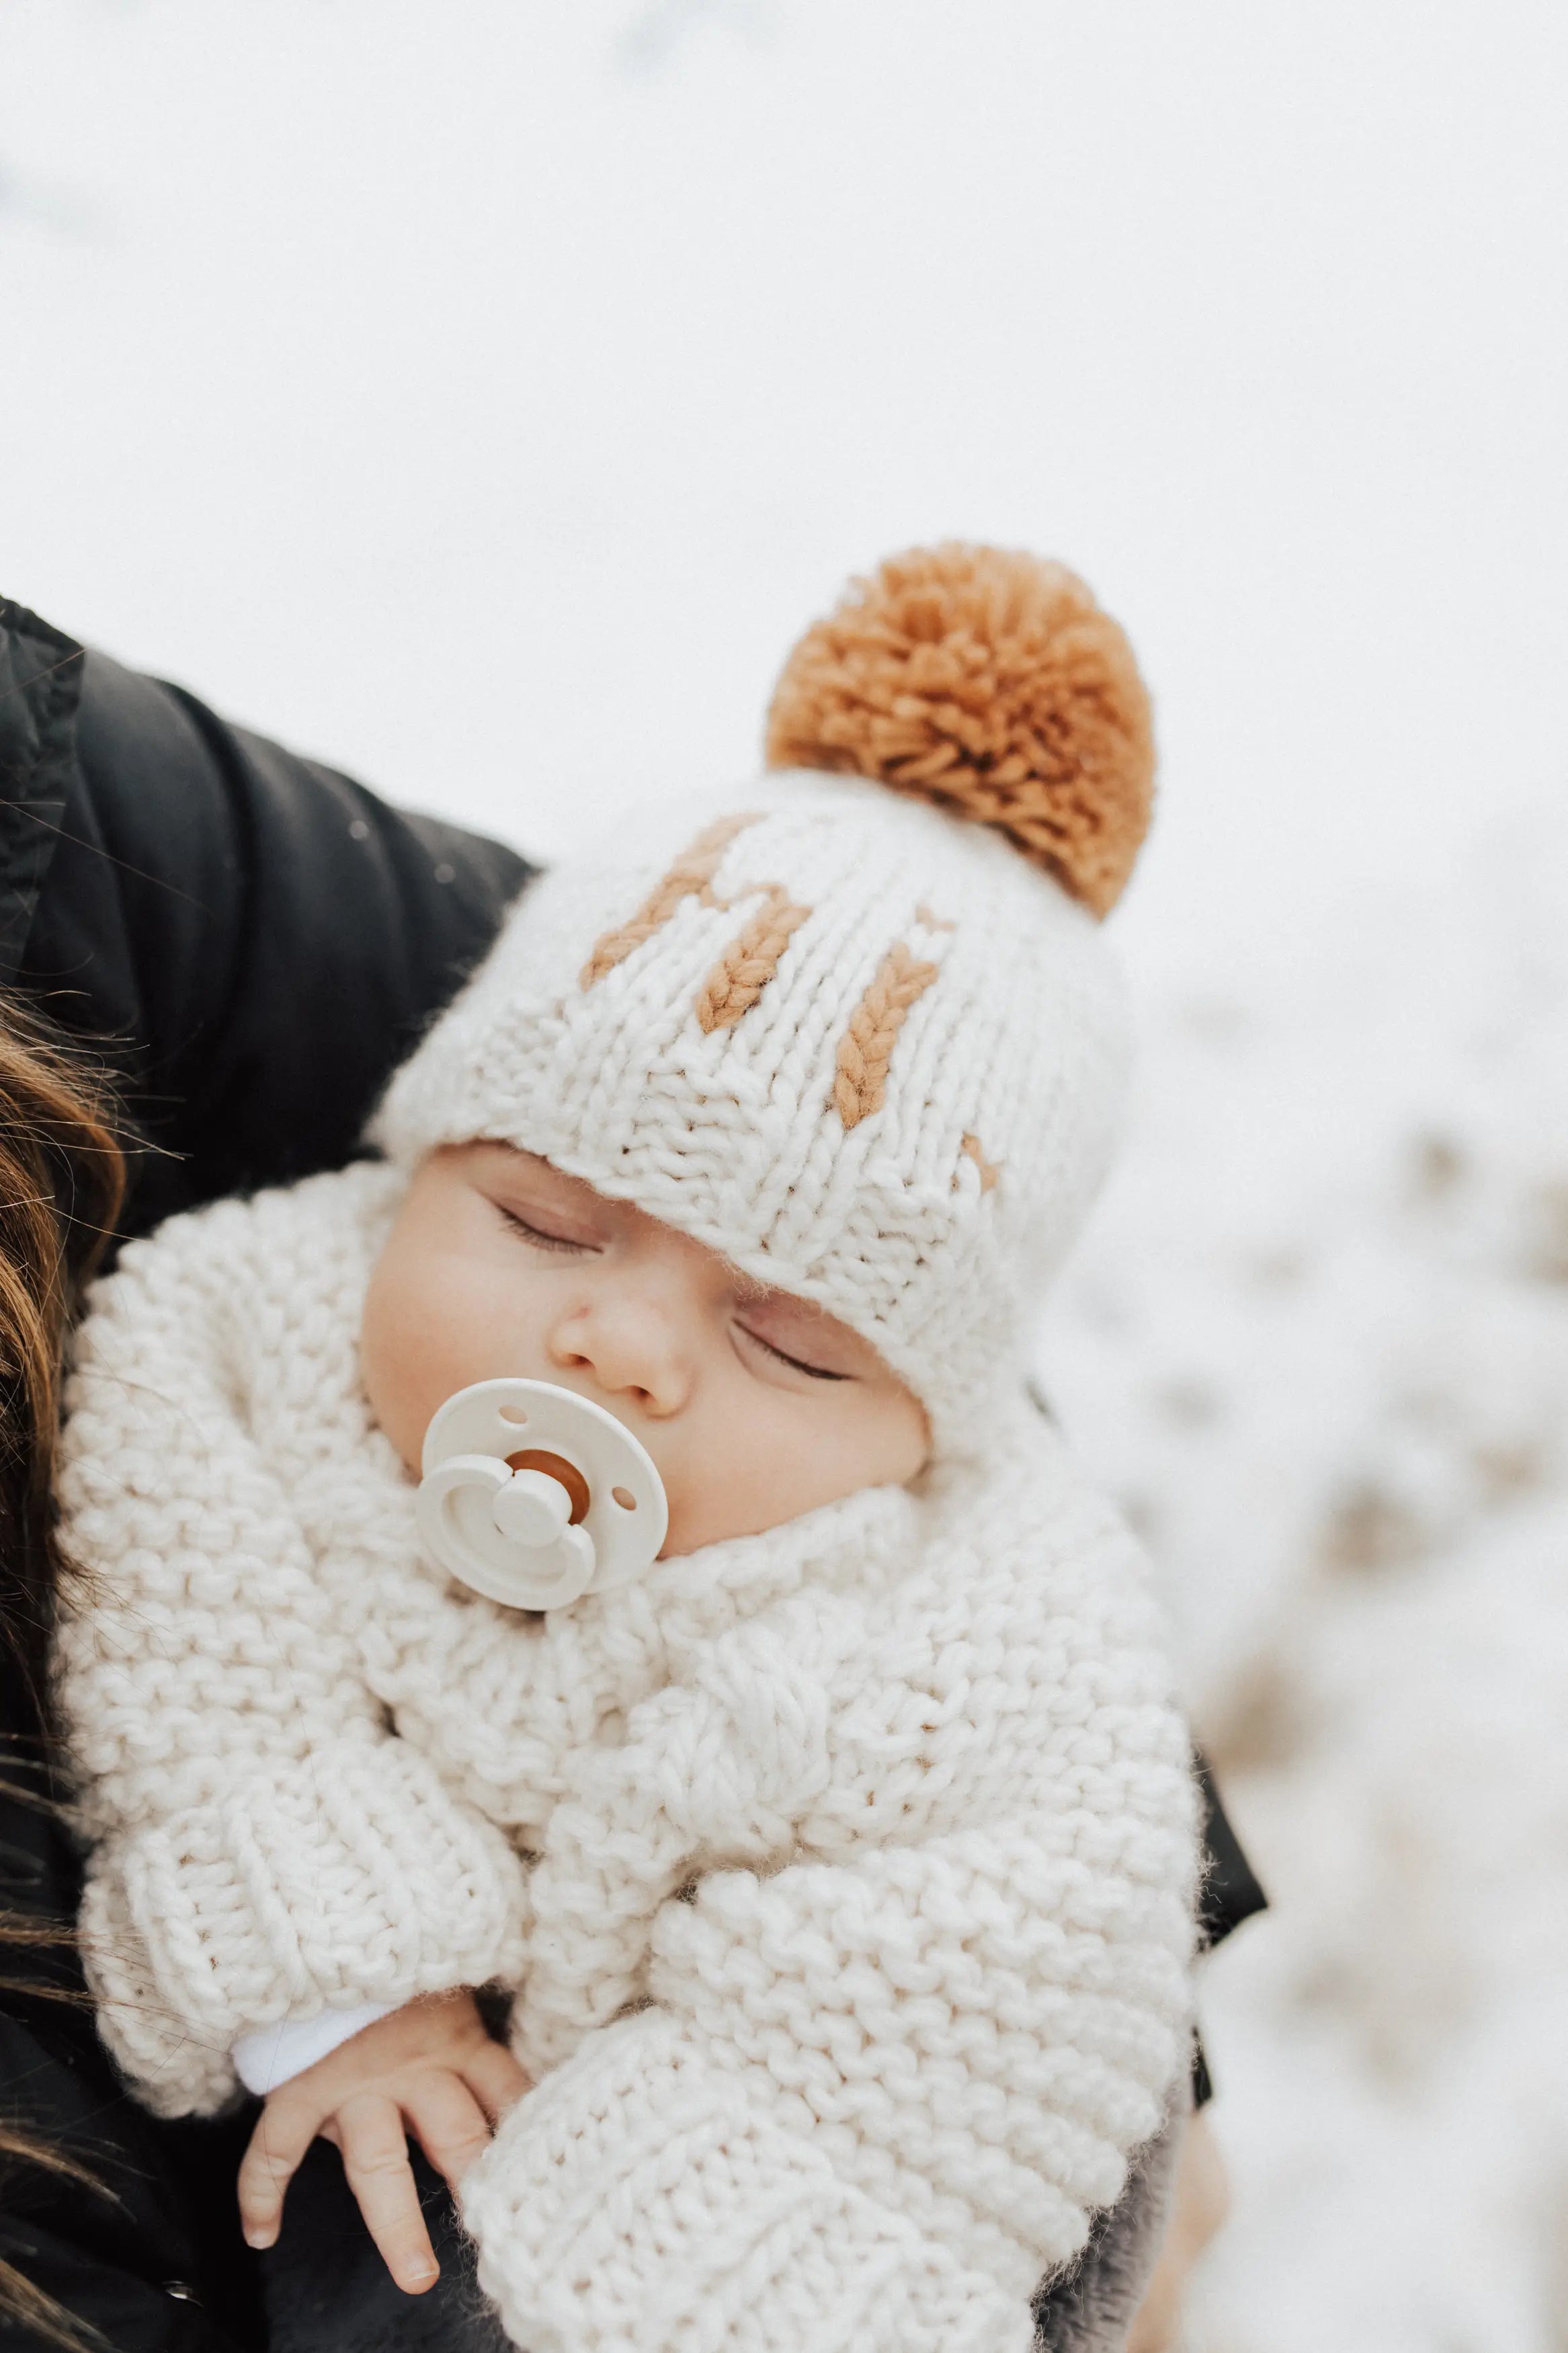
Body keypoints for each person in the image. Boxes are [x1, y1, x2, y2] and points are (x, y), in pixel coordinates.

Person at [50, 545, 1212, 2353]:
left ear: (923, 1431)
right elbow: (187, 1620)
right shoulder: (252, 1329)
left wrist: (680, 2266)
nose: (624, 1344)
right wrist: (339, 1982)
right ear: (416, 1156)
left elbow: (982, 1962)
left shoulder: (968, 1634)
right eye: (544, 1221)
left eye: (791, 1337)